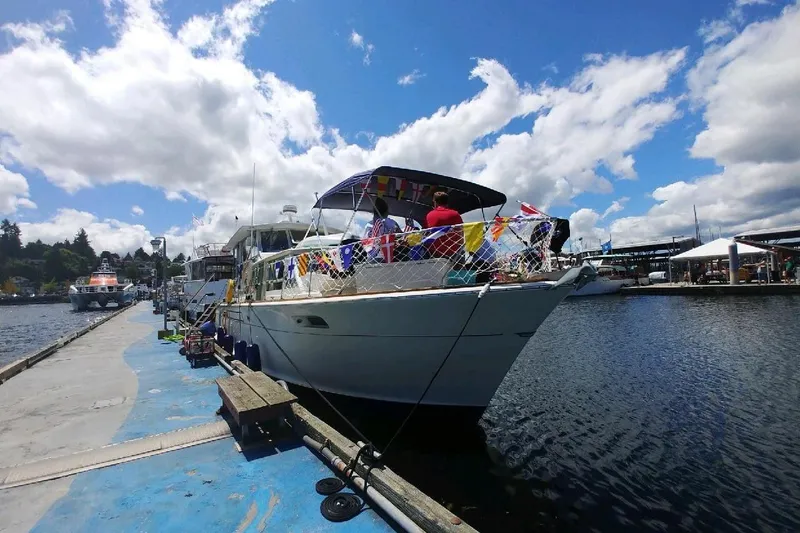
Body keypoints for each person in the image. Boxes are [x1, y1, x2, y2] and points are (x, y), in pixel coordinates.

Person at [424, 191, 464, 258]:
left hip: (435, 253)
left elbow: (427, 233)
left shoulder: (429, 215)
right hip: (454, 252)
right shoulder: (455, 214)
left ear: (435, 202)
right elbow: (461, 235)